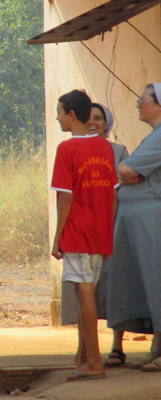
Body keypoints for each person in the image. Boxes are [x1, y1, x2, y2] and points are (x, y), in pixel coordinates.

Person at [51, 90, 117, 381]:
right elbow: (113, 196)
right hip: (100, 231)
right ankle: (83, 357)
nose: (57, 117)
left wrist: (57, 237)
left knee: (84, 293)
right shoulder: (105, 147)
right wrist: (107, 227)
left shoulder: (67, 150)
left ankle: (94, 361)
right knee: (85, 294)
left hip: (77, 231)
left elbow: (64, 198)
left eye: (59, 112)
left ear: (71, 115)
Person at [60, 102, 130, 367]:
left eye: (98, 118)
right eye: (89, 118)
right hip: (88, 233)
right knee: (86, 294)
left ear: (106, 124)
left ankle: (113, 348)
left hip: (106, 232)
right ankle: (86, 351)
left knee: (110, 292)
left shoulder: (118, 152)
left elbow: (118, 193)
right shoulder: (74, 150)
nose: (93, 123)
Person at [107, 83, 161, 372]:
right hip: (138, 217)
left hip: (151, 217)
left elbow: (125, 170)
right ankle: (156, 347)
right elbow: (128, 172)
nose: (139, 104)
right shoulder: (152, 136)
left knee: (158, 279)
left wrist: (127, 175)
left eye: (143, 100)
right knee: (147, 283)